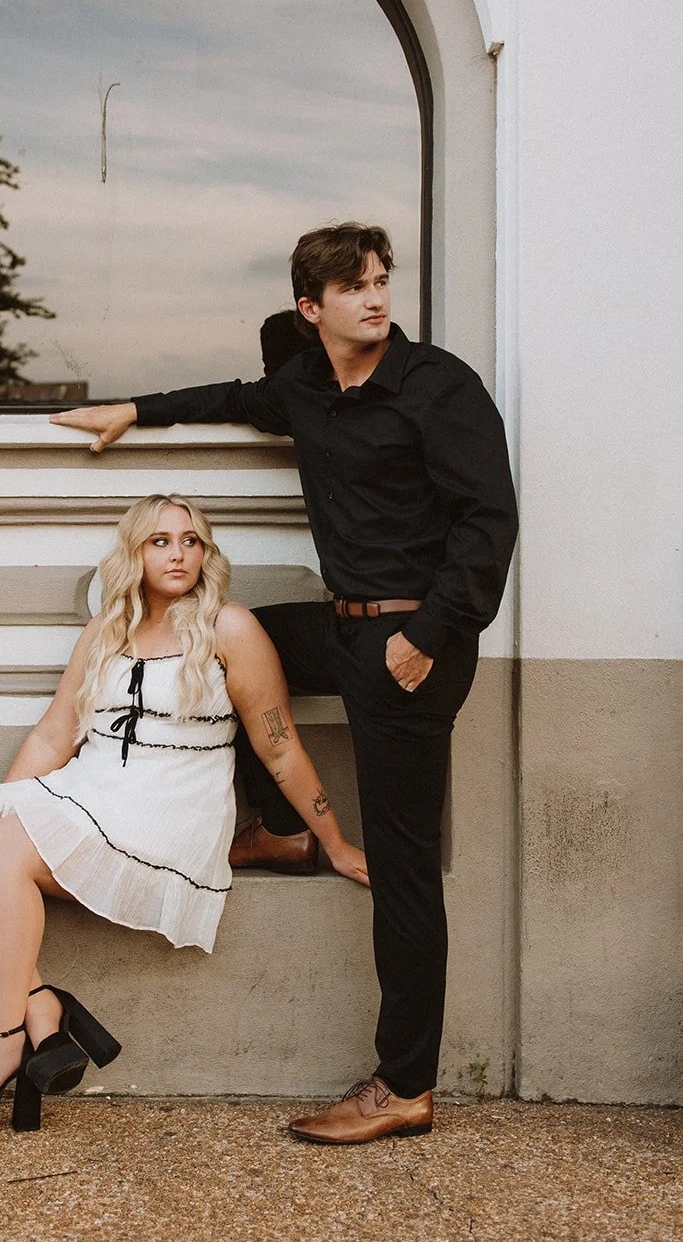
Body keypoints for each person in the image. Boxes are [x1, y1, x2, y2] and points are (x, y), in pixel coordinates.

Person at [51, 223, 519, 1144]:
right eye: (352, 288)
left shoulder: (438, 386)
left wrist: (425, 636)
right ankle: (269, 827)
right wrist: (131, 410)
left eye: (380, 282)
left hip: (411, 643)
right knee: (231, 639)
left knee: (403, 867)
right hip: (342, 625)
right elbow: (228, 393)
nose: (375, 299)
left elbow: (488, 522)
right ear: (311, 309)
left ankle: (404, 1085)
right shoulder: (305, 385)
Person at [0, 493, 369, 1138]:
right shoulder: (107, 629)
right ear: (134, 553)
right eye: (160, 541)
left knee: (7, 849)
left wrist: (336, 842)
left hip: (171, 808)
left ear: (206, 554)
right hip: (94, 787)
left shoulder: (230, 628)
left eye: (191, 540)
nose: (178, 554)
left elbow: (279, 745)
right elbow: (53, 735)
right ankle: (41, 1008)